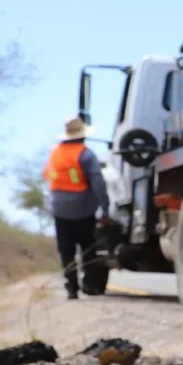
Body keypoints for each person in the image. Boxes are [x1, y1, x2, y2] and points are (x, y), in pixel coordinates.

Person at [45, 116, 111, 300]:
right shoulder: (86, 154)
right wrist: (105, 207)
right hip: (83, 209)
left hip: (59, 208)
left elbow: (49, 178)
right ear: (82, 136)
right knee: (87, 247)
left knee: (66, 250)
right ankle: (89, 284)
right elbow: (98, 182)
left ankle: (71, 288)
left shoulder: (55, 153)